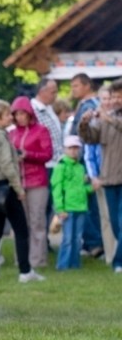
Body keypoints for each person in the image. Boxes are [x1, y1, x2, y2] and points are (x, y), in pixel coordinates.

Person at [0, 100, 45, 283]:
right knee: (21, 229)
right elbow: (7, 165)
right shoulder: (1, 136)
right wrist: (18, 188)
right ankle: (25, 271)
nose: (11, 117)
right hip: (4, 186)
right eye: (7, 114)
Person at [79, 80, 122, 272]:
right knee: (114, 224)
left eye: (119, 96)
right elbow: (89, 138)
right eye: (114, 96)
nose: (115, 100)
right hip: (110, 178)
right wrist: (84, 124)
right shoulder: (106, 118)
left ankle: (118, 262)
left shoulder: (110, 118)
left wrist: (107, 117)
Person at [9, 96, 53, 269]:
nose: (19, 117)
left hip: (37, 181)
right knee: (20, 222)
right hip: (17, 182)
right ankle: (21, 258)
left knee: (37, 222)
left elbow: (47, 154)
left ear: (29, 114)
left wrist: (29, 155)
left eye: (22, 113)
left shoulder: (41, 130)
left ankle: (38, 260)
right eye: (16, 114)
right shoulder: (11, 133)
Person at [69, 73, 104, 257]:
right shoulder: (82, 105)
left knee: (89, 203)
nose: (72, 90)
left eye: (76, 86)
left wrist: (80, 162)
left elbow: (89, 139)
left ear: (87, 86)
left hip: (85, 161)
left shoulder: (91, 106)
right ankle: (91, 241)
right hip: (82, 161)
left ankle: (95, 243)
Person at [51, 136, 92, 270]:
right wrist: (60, 208)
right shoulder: (61, 166)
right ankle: (63, 265)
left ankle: (75, 264)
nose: (74, 151)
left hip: (81, 207)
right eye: (70, 148)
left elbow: (82, 188)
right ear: (65, 149)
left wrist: (92, 188)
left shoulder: (80, 167)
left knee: (77, 238)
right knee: (67, 239)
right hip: (67, 208)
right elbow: (56, 188)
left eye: (76, 148)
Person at [85, 86, 115, 265]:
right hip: (101, 175)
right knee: (106, 217)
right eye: (104, 98)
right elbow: (88, 152)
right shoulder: (94, 121)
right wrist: (93, 176)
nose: (108, 101)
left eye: (110, 98)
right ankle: (111, 255)